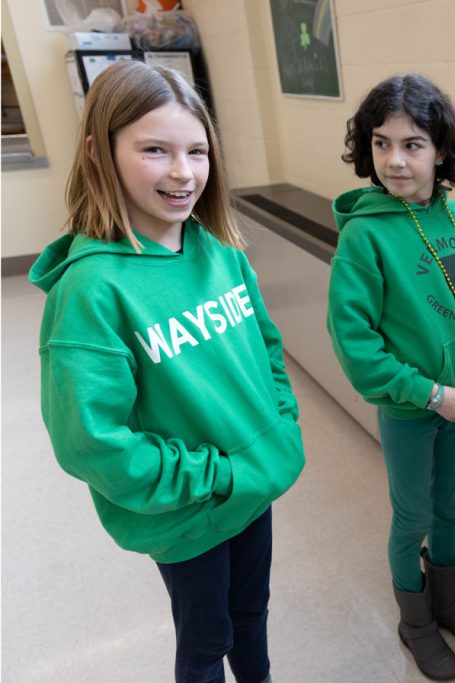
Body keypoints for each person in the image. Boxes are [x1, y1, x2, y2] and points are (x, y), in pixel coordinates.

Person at [29, 60, 305, 683]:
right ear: (101, 153)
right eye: (155, 150)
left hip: (252, 487)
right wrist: (215, 474)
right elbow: (90, 443)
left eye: (197, 151)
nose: (183, 173)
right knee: (207, 640)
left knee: (252, 613)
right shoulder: (93, 290)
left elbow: (265, 347)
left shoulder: (220, 252)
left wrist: (279, 424)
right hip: (189, 512)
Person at [327, 73, 455, 681]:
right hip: (414, 408)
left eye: (412, 144)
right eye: (381, 143)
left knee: (451, 507)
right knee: (413, 517)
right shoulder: (364, 237)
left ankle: (449, 601)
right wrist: (430, 394)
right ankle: (416, 622)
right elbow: (357, 347)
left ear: (441, 150)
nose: (394, 160)